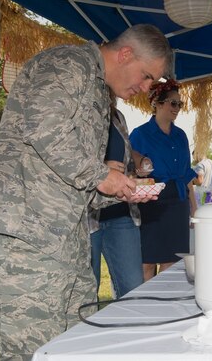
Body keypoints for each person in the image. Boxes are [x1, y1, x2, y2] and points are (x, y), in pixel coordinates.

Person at [0, 24, 172, 360]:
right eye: (148, 76)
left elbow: (78, 181)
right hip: (29, 241)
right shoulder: (68, 63)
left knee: (75, 347)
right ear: (125, 54)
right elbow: (44, 127)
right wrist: (101, 174)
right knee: (31, 351)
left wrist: (121, 192)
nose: (146, 88)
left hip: (67, 244)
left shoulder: (98, 92)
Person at [130, 79, 197, 282]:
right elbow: (130, 170)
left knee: (172, 261)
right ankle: (145, 307)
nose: (177, 108)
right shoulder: (140, 134)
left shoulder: (181, 136)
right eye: (172, 103)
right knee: (146, 261)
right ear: (157, 103)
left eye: (180, 104)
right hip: (151, 204)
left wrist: (194, 208)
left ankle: (165, 307)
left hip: (178, 202)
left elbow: (187, 175)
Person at [89, 103, 153, 299]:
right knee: (88, 291)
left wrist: (140, 162)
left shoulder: (118, 117)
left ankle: (130, 329)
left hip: (122, 212)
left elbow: (127, 155)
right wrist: (101, 169)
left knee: (133, 288)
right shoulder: (82, 110)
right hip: (87, 218)